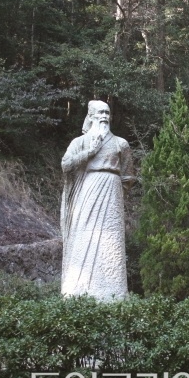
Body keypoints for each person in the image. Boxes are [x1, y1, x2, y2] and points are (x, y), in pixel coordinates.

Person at [60, 100, 134, 301]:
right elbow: (66, 164)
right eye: (100, 112)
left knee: (111, 242)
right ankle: (78, 290)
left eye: (107, 112)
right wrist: (90, 152)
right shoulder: (80, 142)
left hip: (112, 192)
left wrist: (118, 194)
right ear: (90, 116)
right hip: (88, 189)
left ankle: (114, 294)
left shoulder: (121, 143)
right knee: (84, 236)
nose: (104, 116)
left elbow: (128, 176)